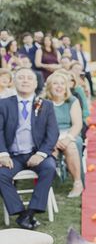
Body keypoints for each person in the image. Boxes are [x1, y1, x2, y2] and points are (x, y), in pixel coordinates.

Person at [0, 67, 58, 230]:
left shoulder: (45, 105)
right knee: (1, 175)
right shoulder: (4, 104)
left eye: (29, 78)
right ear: (14, 82)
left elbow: (53, 133)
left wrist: (41, 154)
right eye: (21, 78)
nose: (25, 80)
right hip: (13, 156)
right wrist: (2, 154)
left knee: (49, 168)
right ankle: (20, 213)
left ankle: (30, 212)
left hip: (36, 153)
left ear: (35, 83)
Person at [44, 70, 84, 198]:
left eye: (62, 83)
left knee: (71, 147)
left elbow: (77, 124)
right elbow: (38, 125)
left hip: (68, 132)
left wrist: (68, 138)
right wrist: (52, 140)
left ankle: (78, 183)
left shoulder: (72, 101)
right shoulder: (42, 101)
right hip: (49, 134)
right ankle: (46, 183)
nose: (59, 86)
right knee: (50, 149)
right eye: (55, 83)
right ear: (49, 86)